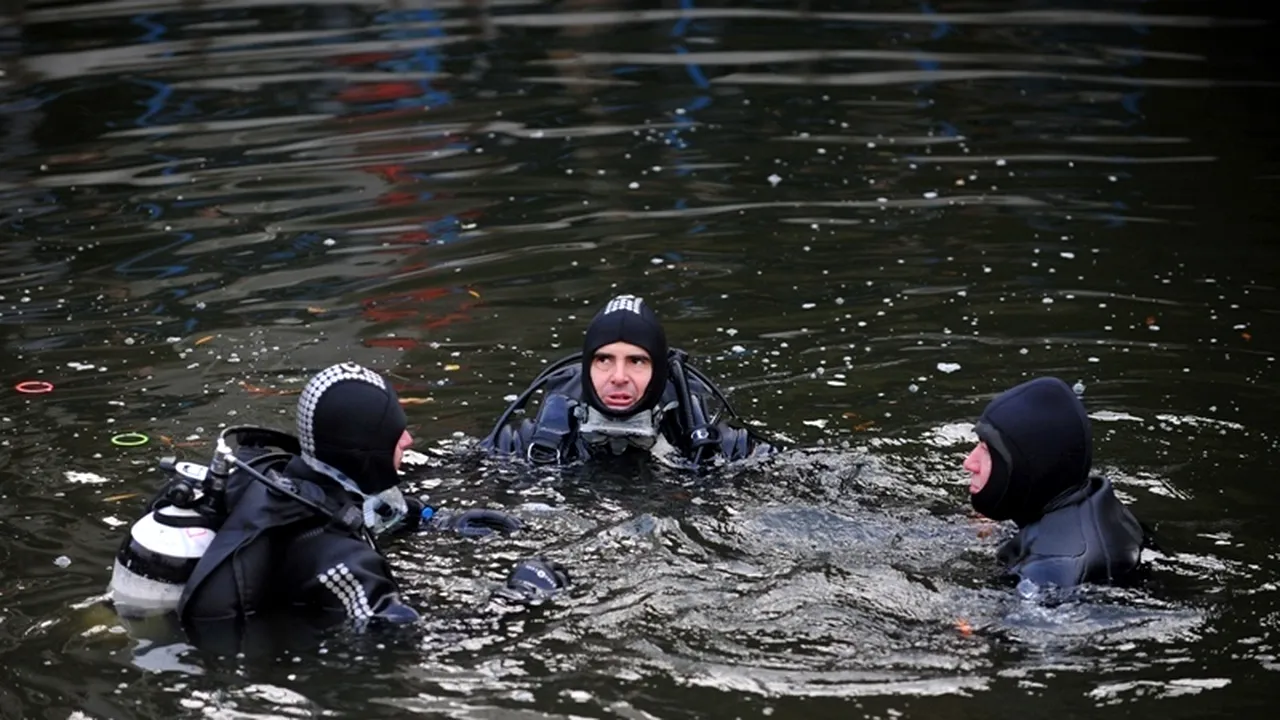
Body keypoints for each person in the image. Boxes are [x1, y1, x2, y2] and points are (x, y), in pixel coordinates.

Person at [174, 362, 569, 640]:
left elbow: (363, 508)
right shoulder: (342, 559)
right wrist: (519, 598)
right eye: (394, 433)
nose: (409, 441)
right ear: (363, 449)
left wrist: (434, 518)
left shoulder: (281, 477)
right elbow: (411, 635)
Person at [480, 294, 776, 467]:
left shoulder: (725, 448)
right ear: (586, 367)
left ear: (658, 370)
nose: (618, 377)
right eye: (604, 360)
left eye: (637, 361)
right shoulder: (517, 446)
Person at [962, 376, 1146, 592]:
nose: (969, 463)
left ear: (1030, 467)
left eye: (987, 451)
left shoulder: (1049, 572)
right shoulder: (1101, 502)